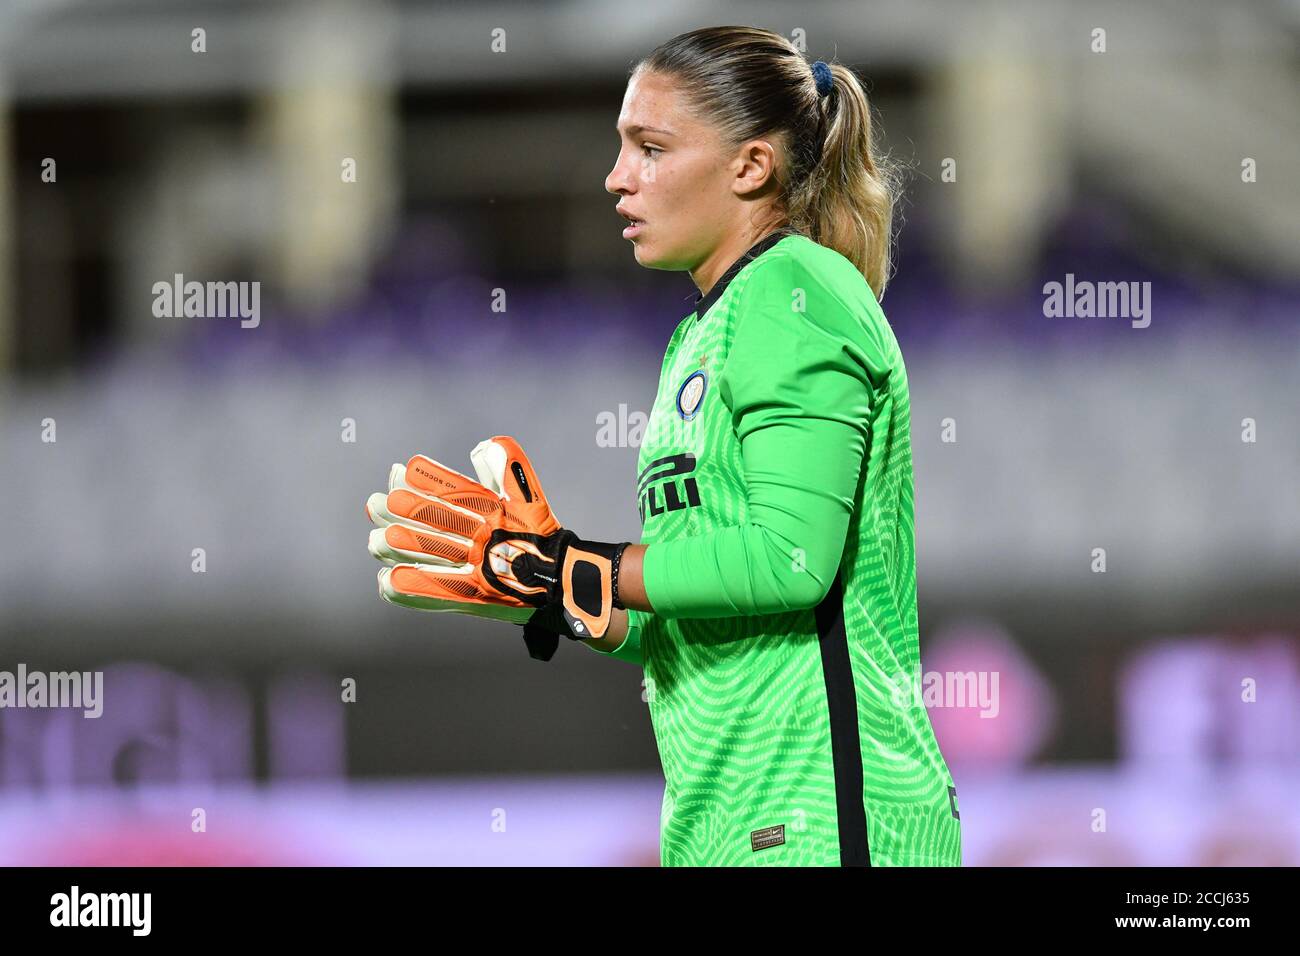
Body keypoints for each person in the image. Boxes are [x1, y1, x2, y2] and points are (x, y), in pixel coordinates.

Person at [367, 25, 961, 867]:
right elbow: (720, 607)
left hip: (829, 816)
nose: (616, 177)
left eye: (649, 147)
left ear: (751, 166)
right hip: (734, 823)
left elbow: (792, 561)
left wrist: (582, 564)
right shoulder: (705, 333)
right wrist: (560, 593)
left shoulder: (794, 292)